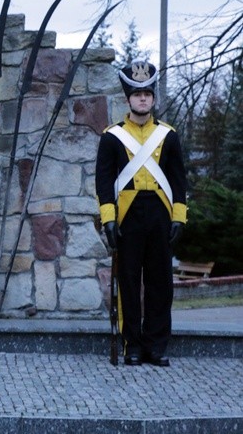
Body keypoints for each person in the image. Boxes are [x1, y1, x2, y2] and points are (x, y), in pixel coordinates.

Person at [95, 60, 188, 367]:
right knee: (130, 282)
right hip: (128, 216)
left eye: (147, 93)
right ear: (128, 99)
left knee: (161, 283)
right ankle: (132, 344)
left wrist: (179, 216)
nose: (143, 99)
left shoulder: (168, 135)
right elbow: (104, 181)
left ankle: (157, 346)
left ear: (153, 98)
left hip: (160, 215)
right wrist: (108, 219)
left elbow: (178, 180)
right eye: (137, 94)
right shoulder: (112, 137)